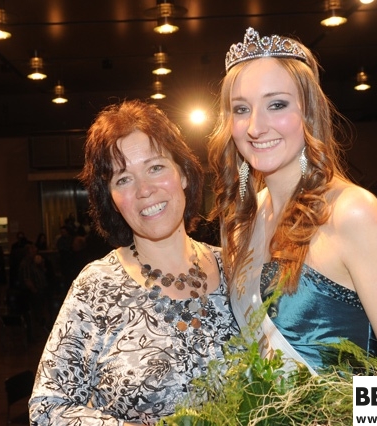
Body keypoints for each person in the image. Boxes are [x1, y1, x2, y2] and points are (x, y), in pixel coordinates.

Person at [208, 27, 377, 375]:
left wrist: (339, 407)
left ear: (309, 113)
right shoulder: (242, 225)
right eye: (241, 109)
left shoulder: (353, 213)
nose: (255, 126)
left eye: (277, 104)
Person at [29, 99, 240, 425]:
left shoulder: (236, 270)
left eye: (155, 168)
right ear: (112, 200)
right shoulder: (96, 288)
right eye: (123, 179)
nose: (144, 190)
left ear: (183, 174)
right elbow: (47, 409)